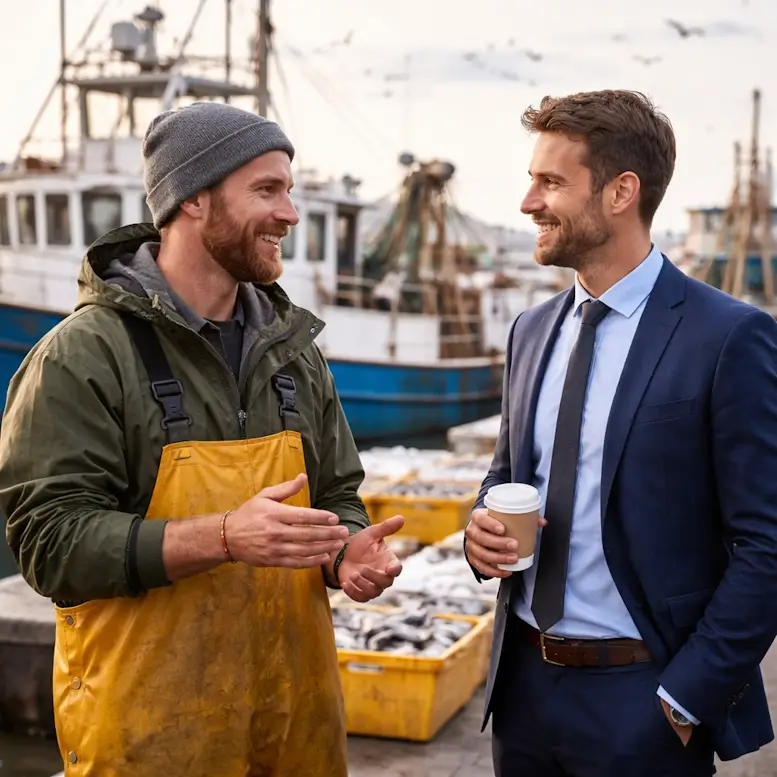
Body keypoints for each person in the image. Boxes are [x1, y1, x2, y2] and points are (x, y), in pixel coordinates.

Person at [0, 101, 405, 777]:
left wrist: (344, 554)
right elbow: (50, 545)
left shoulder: (293, 352)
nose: (290, 213)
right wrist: (222, 535)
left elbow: (335, 494)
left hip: (293, 737)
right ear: (192, 198)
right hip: (149, 742)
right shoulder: (81, 355)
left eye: (289, 191)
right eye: (266, 190)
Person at [464, 89, 777, 777]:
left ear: (619, 192)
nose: (527, 203)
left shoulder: (727, 337)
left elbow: (766, 544)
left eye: (549, 181)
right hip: (519, 695)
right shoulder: (530, 330)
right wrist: (479, 529)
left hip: (643, 704)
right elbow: (505, 474)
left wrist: (682, 699)